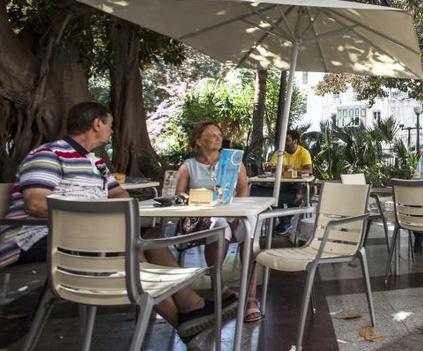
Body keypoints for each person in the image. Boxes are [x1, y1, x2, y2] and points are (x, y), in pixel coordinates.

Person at [0, 102, 225, 340]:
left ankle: (190, 310)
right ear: (97, 124)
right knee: (127, 243)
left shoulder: (95, 163)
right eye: (110, 125)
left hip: (86, 236)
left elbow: (121, 196)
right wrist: (98, 216)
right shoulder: (48, 154)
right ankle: (187, 314)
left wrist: (104, 215)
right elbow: (35, 203)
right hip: (34, 237)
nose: (112, 131)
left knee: (152, 236)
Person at [175, 121, 261, 322]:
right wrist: (197, 200)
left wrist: (236, 212)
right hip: (203, 217)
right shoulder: (188, 166)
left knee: (252, 223)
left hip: (233, 212)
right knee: (219, 226)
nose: (217, 137)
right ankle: (218, 288)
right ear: (198, 141)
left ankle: (250, 298)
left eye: (219, 135)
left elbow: (243, 190)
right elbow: (178, 194)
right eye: (211, 135)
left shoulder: (233, 163)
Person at [256, 129, 313, 236]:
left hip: (297, 185)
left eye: (287, 140)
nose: (285, 143)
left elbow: (309, 171)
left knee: (273, 197)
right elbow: (271, 168)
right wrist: (281, 167)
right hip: (282, 184)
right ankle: (285, 221)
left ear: (295, 141)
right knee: (274, 195)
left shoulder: (303, 152)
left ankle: (285, 221)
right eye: (284, 140)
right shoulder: (280, 152)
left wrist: (293, 169)